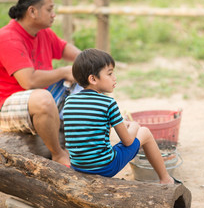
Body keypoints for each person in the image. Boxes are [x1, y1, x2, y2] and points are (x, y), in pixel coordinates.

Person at [0, 0, 81, 166]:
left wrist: (91, 63)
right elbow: (28, 81)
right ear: (32, 11)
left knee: (89, 85)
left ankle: (80, 148)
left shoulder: (43, 33)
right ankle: (58, 154)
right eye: (50, 9)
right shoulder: (8, 38)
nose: (54, 14)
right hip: (6, 105)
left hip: (40, 95)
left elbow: (71, 52)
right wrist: (64, 71)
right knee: (44, 99)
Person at [63, 48, 180, 184]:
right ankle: (166, 179)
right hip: (104, 167)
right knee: (145, 132)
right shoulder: (108, 103)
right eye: (110, 74)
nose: (115, 78)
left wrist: (118, 123)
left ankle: (165, 178)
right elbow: (128, 141)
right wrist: (134, 126)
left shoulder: (69, 101)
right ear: (93, 79)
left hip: (78, 166)